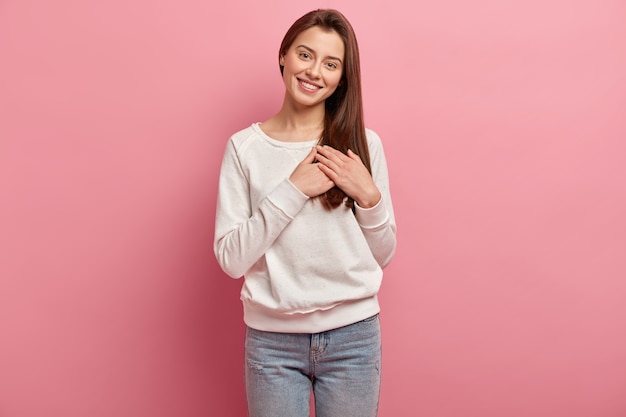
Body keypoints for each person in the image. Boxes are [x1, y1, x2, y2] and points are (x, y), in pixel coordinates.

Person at [213, 8, 397, 417]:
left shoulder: (364, 145)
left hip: (354, 338)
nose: (315, 71)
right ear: (284, 55)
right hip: (272, 343)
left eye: (331, 64)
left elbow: (383, 253)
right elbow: (230, 258)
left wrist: (369, 196)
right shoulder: (244, 149)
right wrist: (293, 189)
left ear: (343, 77)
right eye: (305, 55)